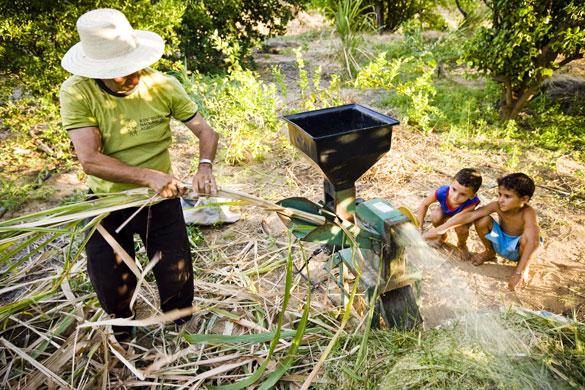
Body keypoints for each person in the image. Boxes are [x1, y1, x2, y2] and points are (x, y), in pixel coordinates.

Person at [59, 8, 219, 340]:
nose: (132, 75)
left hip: (161, 199)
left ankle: (183, 329)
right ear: (98, 70)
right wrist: (148, 176)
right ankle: (123, 331)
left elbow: (207, 133)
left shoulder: (162, 86)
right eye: (119, 72)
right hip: (107, 202)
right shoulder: (77, 92)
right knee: (112, 284)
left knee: (176, 275)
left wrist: (205, 166)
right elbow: (90, 160)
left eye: (134, 65)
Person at [423, 173, 541, 291]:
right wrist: (439, 230)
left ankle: (523, 265)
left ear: (524, 199)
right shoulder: (497, 205)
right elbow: (470, 216)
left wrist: (520, 272)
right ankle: (489, 251)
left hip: (519, 249)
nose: (501, 200)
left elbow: (533, 242)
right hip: (501, 241)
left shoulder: (528, 213)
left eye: (507, 196)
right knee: (481, 220)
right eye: (500, 194)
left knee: (529, 237)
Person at [417, 168, 482, 259]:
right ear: (450, 183)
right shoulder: (442, 192)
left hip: (461, 219)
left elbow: (456, 220)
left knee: (461, 229)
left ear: (472, 196)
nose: (455, 196)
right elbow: (424, 204)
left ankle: (462, 244)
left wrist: (435, 231)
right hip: (446, 211)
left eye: (463, 194)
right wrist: (420, 226)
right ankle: (442, 236)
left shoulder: (471, 203)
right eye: (454, 189)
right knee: (435, 216)